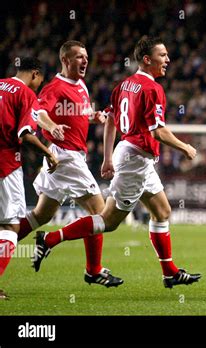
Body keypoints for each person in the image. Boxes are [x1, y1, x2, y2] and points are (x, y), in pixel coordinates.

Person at [33, 36, 201, 289]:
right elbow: (158, 132)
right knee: (108, 221)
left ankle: (170, 272)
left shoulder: (125, 85)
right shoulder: (153, 89)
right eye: (162, 55)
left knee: (162, 211)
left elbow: (110, 119)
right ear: (147, 60)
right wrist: (185, 146)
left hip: (134, 156)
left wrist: (108, 157)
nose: (167, 60)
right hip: (136, 159)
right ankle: (50, 239)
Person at [18, 41, 123, 287]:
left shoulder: (81, 85)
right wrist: (52, 126)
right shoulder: (55, 87)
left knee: (40, 215)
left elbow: (81, 112)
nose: (85, 61)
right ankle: (92, 269)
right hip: (66, 156)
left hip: (63, 156)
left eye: (86, 56)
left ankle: (5, 240)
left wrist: (94, 116)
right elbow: (39, 114)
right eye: (78, 57)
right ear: (65, 60)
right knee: (100, 214)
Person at [0, 57, 59, 299]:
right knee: (10, 225)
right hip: (5, 164)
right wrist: (49, 153)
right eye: (40, 80)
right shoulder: (25, 94)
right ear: (35, 74)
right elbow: (25, 134)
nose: (38, 86)